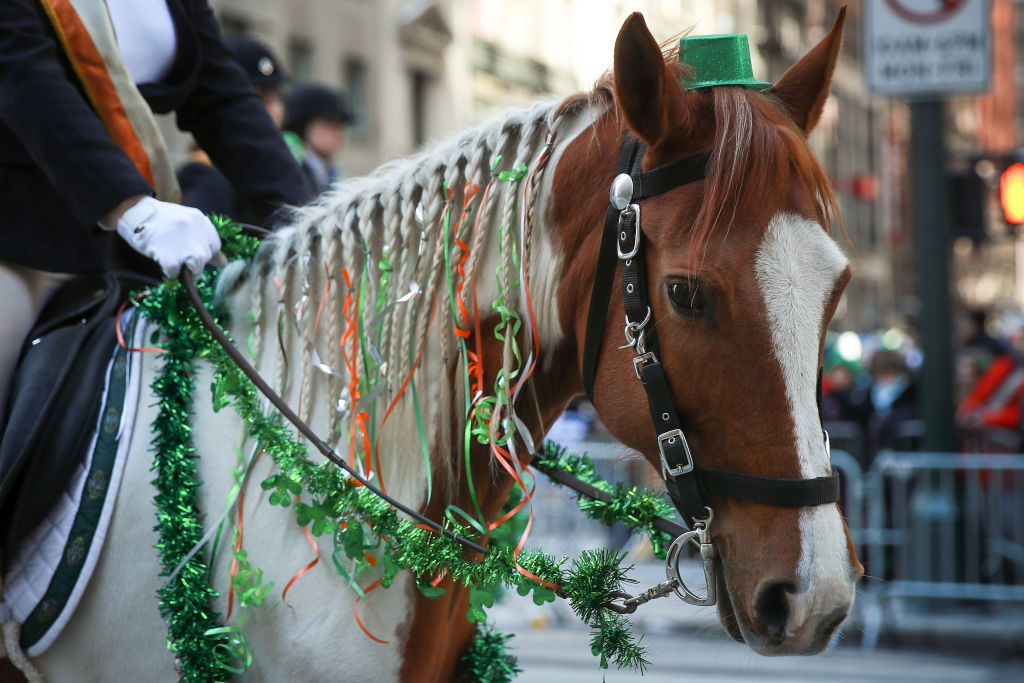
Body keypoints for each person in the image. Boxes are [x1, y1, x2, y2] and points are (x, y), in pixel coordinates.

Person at [0, 0, 309, 420]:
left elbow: (220, 93)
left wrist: (306, 222)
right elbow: (21, 71)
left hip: (107, 253)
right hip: (17, 239)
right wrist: (134, 210)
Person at [177, 35, 296, 219]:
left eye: (275, 96)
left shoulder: (269, 171)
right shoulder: (206, 176)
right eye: (259, 97)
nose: (275, 109)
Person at [283, 84, 355, 194]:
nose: (339, 134)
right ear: (303, 126)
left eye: (341, 127)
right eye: (331, 125)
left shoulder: (331, 175)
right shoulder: (290, 171)